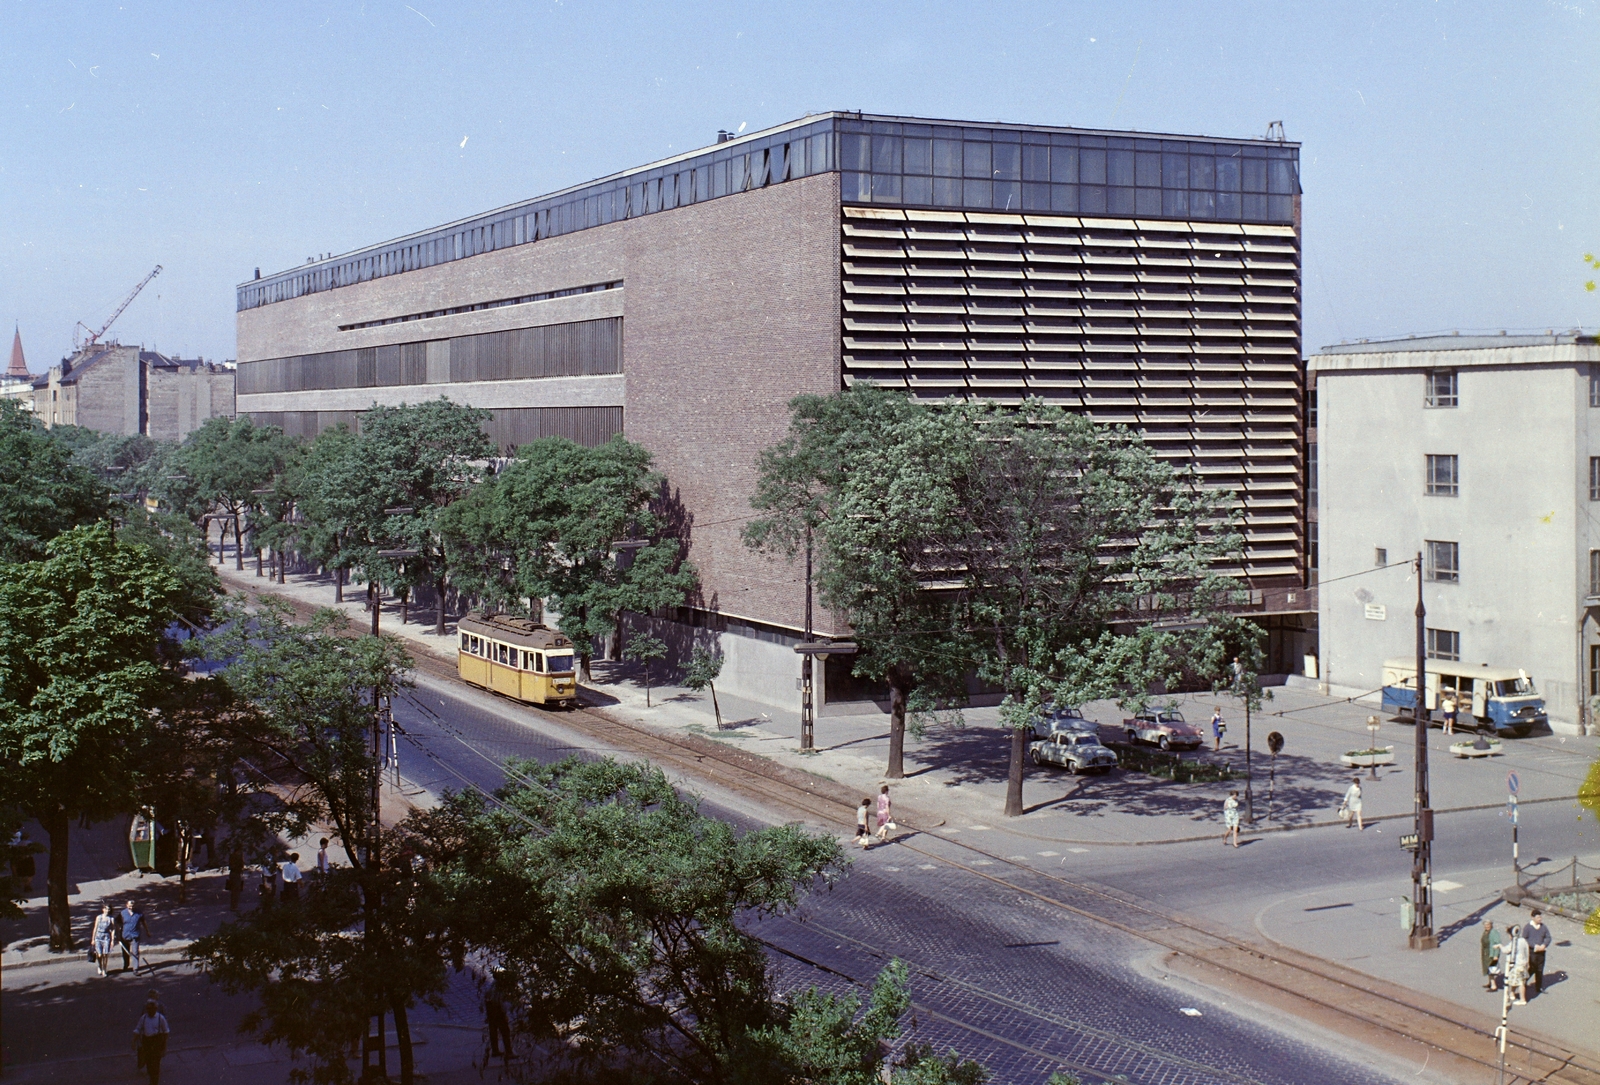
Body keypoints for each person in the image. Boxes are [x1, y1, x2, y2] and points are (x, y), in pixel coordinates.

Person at [132, 998, 170, 1084]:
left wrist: (164, 1046)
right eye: (148, 1009)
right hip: (147, 1043)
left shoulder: (161, 1018)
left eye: (151, 1009)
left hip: (156, 1043)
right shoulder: (144, 1018)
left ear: (156, 1009)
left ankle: (154, 1082)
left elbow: (166, 1032)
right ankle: (152, 1077)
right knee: (149, 1063)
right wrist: (133, 1041)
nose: (149, 1011)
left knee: (156, 1065)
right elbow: (137, 1029)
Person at [484, 972, 514, 1061]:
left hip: (490, 1009)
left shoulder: (492, 985)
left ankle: (495, 1050)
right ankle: (509, 1052)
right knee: (505, 1030)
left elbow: (486, 995)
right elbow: (501, 1001)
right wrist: (505, 1013)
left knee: (493, 1030)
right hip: (497, 1009)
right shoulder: (500, 988)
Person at [1524, 909, 1551, 995]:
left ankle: (1538, 987)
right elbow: (1524, 939)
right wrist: (1534, 946)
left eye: (1540, 917)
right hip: (1532, 952)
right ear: (1533, 918)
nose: (1540, 919)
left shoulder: (1543, 927)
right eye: (1538, 917)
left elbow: (1548, 937)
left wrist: (1544, 945)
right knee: (1532, 968)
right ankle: (1523, 981)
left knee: (1540, 969)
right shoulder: (1528, 927)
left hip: (1541, 952)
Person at [120, 899, 150, 974]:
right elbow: (118, 924)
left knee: (135, 952)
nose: (131, 908)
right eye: (130, 906)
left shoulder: (139, 913)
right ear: (126, 905)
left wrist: (147, 931)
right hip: (125, 936)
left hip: (135, 936)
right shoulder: (122, 913)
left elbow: (144, 922)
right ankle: (126, 965)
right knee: (125, 952)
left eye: (132, 906)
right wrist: (117, 934)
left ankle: (135, 969)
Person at [1506, 923, 1531, 1005]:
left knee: (1520, 982)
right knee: (1514, 979)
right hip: (1524, 964)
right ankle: (1512, 993)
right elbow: (1527, 951)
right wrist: (1528, 962)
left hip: (1518, 965)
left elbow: (1506, 950)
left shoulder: (1514, 942)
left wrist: (1499, 946)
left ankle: (1522, 1000)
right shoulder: (1523, 940)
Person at [92, 903, 117, 977]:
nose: (107, 910)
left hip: (106, 937)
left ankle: (104, 969)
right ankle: (100, 965)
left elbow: (113, 929)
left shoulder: (111, 918)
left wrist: (112, 940)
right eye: (105, 909)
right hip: (98, 937)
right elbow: (95, 928)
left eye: (108, 909)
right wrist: (93, 939)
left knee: (105, 954)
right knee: (99, 954)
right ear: (103, 909)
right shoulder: (99, 917)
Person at [1480, 919, 1504, 991]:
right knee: (1488, 968)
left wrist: (1496, 955)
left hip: (1491, 954)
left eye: (1488, 925)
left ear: (1491, 925)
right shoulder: (1486, 932)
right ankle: (1490, 983)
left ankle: (1494, 986)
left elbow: (1497, 944)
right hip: (1485, 954)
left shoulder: (1494, 933)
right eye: (1485, 925)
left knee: (1491, 970)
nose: (1486, 926)